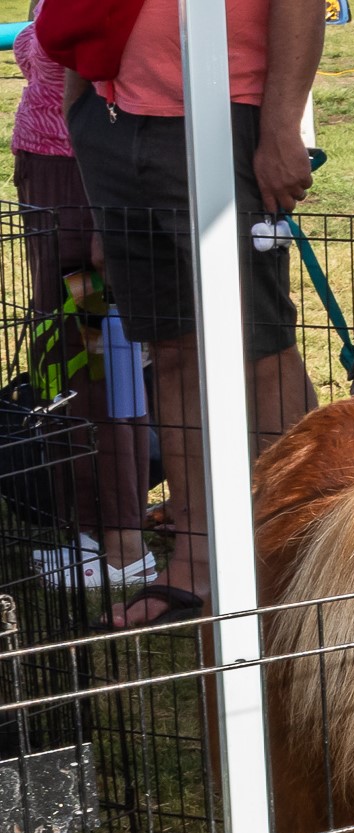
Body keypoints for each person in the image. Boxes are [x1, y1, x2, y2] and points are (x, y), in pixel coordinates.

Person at [62, 0, 323, 628]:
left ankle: (294, 555)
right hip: (114, 117)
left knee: (257, 346)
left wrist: (280, 126)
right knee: (173, 345)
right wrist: (83, 111)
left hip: (228, 114)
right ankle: (196, 562)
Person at [10, 7, 154, 592]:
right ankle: (99, 528)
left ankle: (119, 542)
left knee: (93, 357)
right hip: (49, 178)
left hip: (78, 184)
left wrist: (101, 216)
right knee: (69, 357)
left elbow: (110, 90)